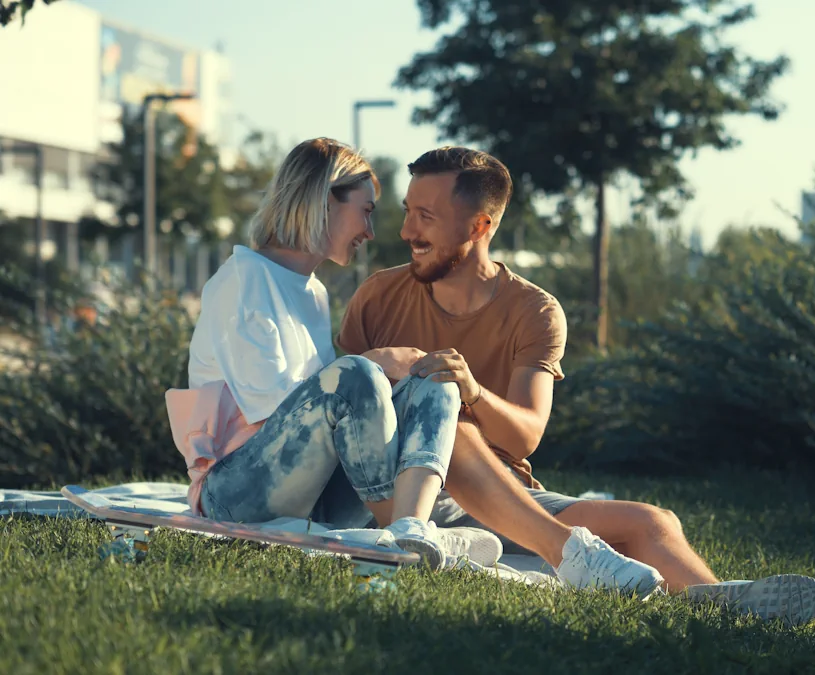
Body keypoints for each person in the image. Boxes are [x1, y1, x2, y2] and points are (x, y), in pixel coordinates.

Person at [336, 145, 815, 626]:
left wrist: (474, 392)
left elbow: (525, 436)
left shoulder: (534, 311)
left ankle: (718, 604)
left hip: (504, 494)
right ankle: (616, 574)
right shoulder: (379, 296)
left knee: (652, 522)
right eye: (407, 212)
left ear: (481, 225)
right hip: (403, 492)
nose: (406, 231)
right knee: (457, 434)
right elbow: (338, 408)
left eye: (426, 216)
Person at [166, 138, 664, 598]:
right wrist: (376, 363)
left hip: (312, 499)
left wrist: (403, 374)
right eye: (364, 212)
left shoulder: (314, 293)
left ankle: (411, 531)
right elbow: (279, 414)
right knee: (359, 374)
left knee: (435, 376)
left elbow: (324, 421)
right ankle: (421, 531)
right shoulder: (243, 281)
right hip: (235, 495)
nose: (371, 231)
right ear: (321, 202)